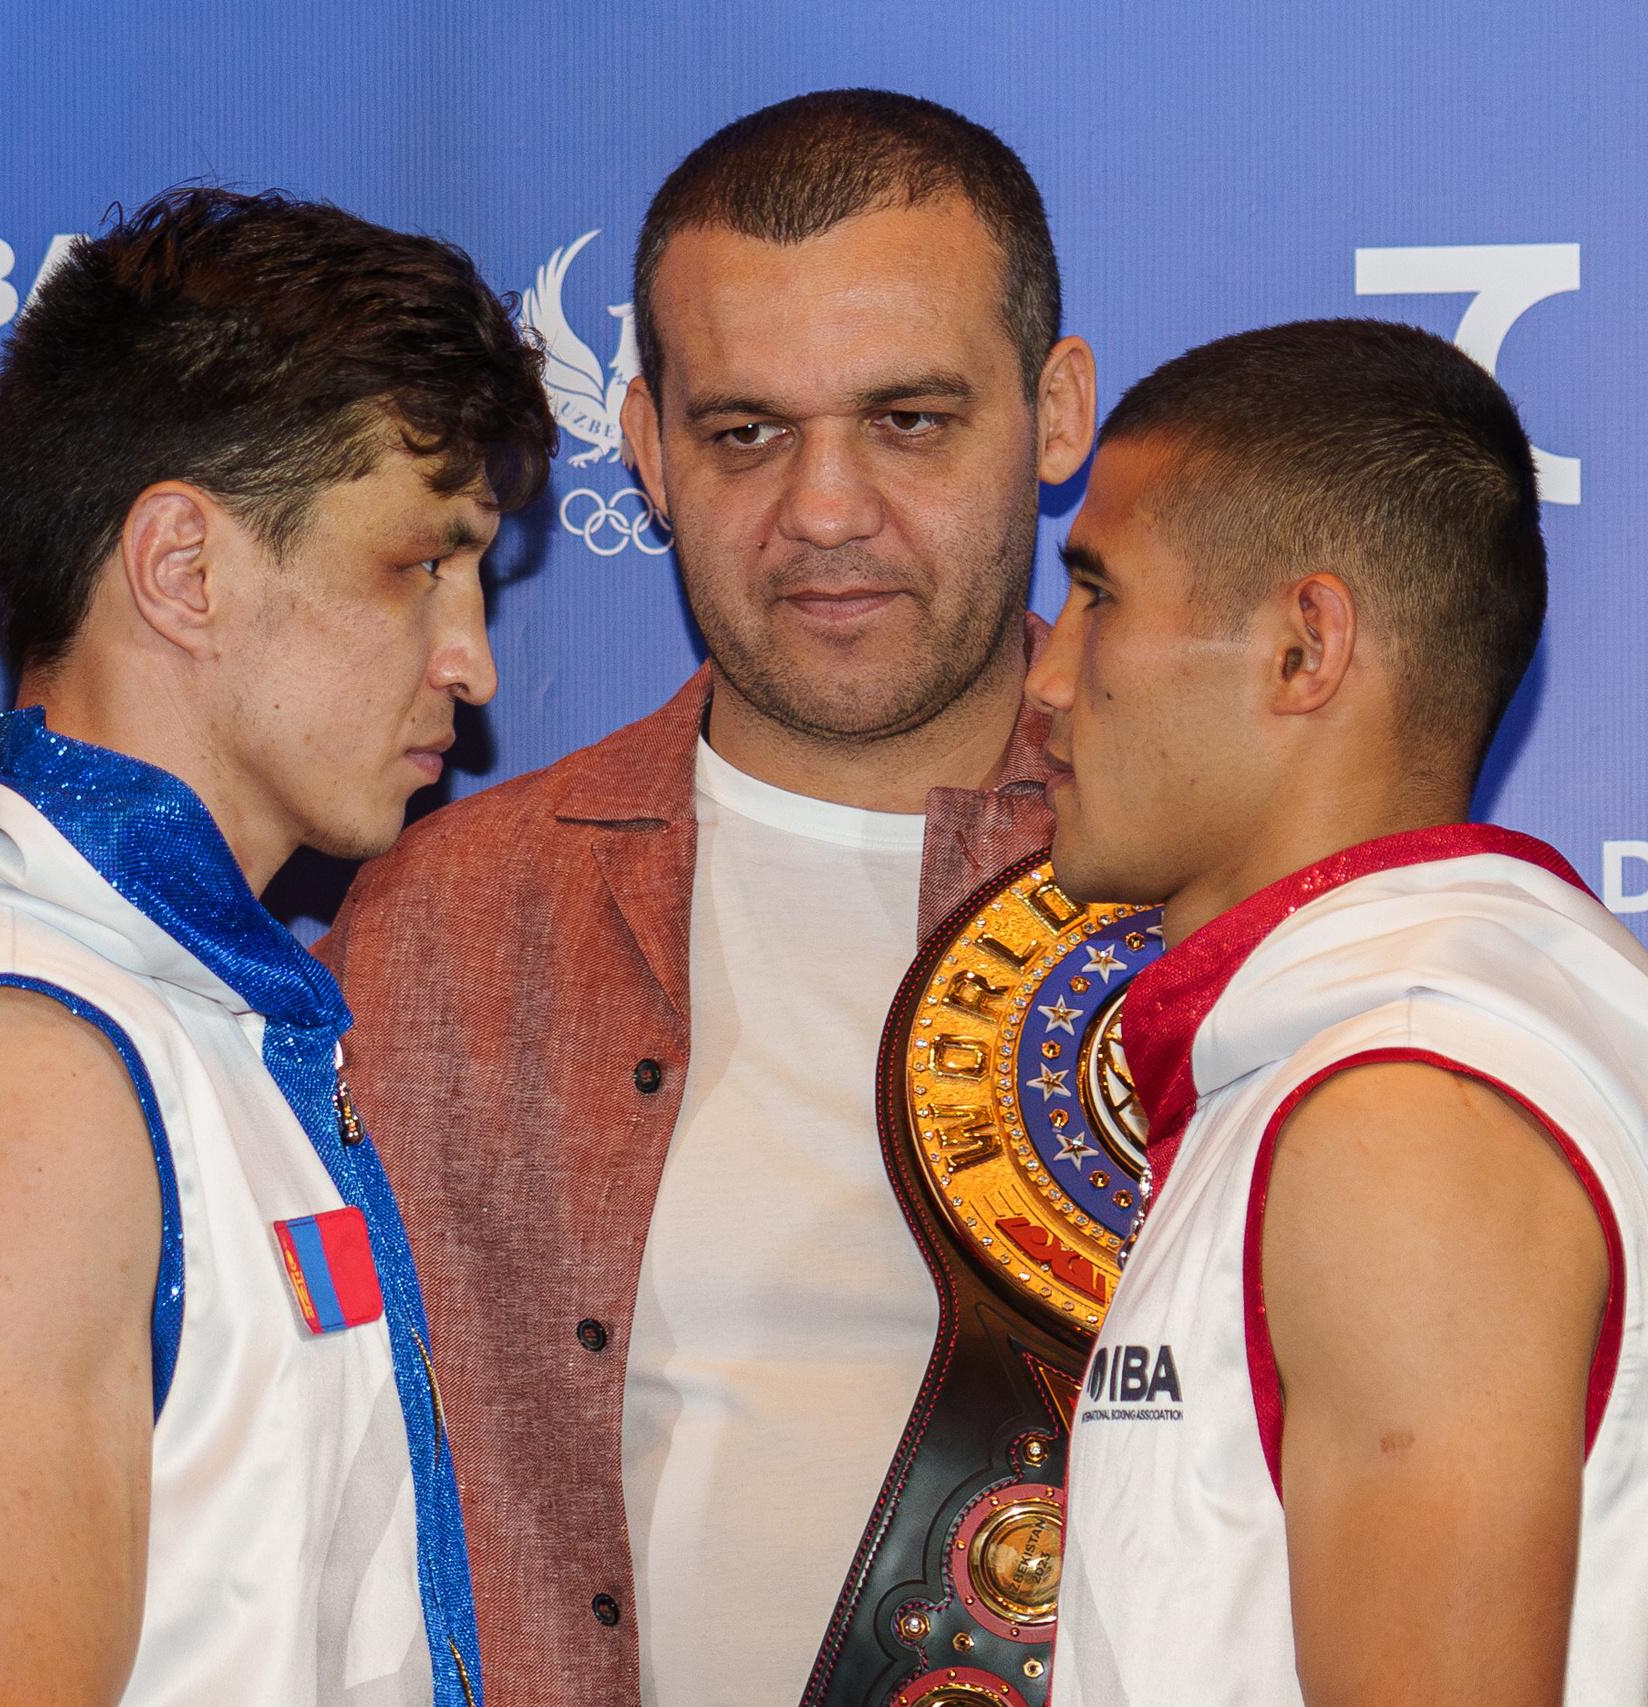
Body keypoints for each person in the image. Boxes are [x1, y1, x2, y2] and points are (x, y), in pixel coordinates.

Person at [0, 187, 554, 1707]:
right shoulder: (23, 1052)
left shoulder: (146, 992)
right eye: (415, 567)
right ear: (183, 568)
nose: (472, 660)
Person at [317, 90, 1097, 1707]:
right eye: (748, 432)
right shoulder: (442, 929)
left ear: (1059, 414)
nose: (823, 509)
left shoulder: (1228, 904)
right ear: (650, 451)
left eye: (910, 419)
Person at [1029, 319, 1648, 1706]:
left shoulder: (1398, 1117)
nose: (1045, 680)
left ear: (1305, 648)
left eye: (1099, 597)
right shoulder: (1338, 1075)